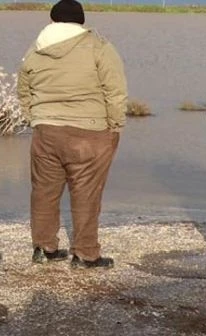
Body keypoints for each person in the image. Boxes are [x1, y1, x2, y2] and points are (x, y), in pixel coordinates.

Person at [17, 0, 127, 269]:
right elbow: (115, 91)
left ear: (53, 20)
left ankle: (44, 249)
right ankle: (85, 254)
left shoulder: (36, 49)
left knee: (43, 192)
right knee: (86, 193)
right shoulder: (99, 46)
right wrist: (115, 126)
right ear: (81, 22)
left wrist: (36, 119)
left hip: (46, 132)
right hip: (90, 131)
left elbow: (24, 90)